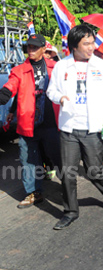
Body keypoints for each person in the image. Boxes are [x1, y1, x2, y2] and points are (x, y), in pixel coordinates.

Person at [47, 24, 103, 230]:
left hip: (93, 128)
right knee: (68, 173)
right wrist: (59, 97)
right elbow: (51, 91)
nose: (91, 47)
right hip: (69, 128)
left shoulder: (101, 66)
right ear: (74, 46)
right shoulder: (62, 66)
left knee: (94, 170)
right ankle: (70, 211)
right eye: (86, 43)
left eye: (92, 42)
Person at [0, 34, 61, 209]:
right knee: (28, 160)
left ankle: (68, 186)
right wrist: (4, 98)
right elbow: (11, 87)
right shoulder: (19, 70)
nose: (31, 50)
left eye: (35, 47)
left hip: (51, 122)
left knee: (57, 157)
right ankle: (34, 192)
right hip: (27, 124)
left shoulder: (55, 68)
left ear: (44, 49)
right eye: (29, 47)